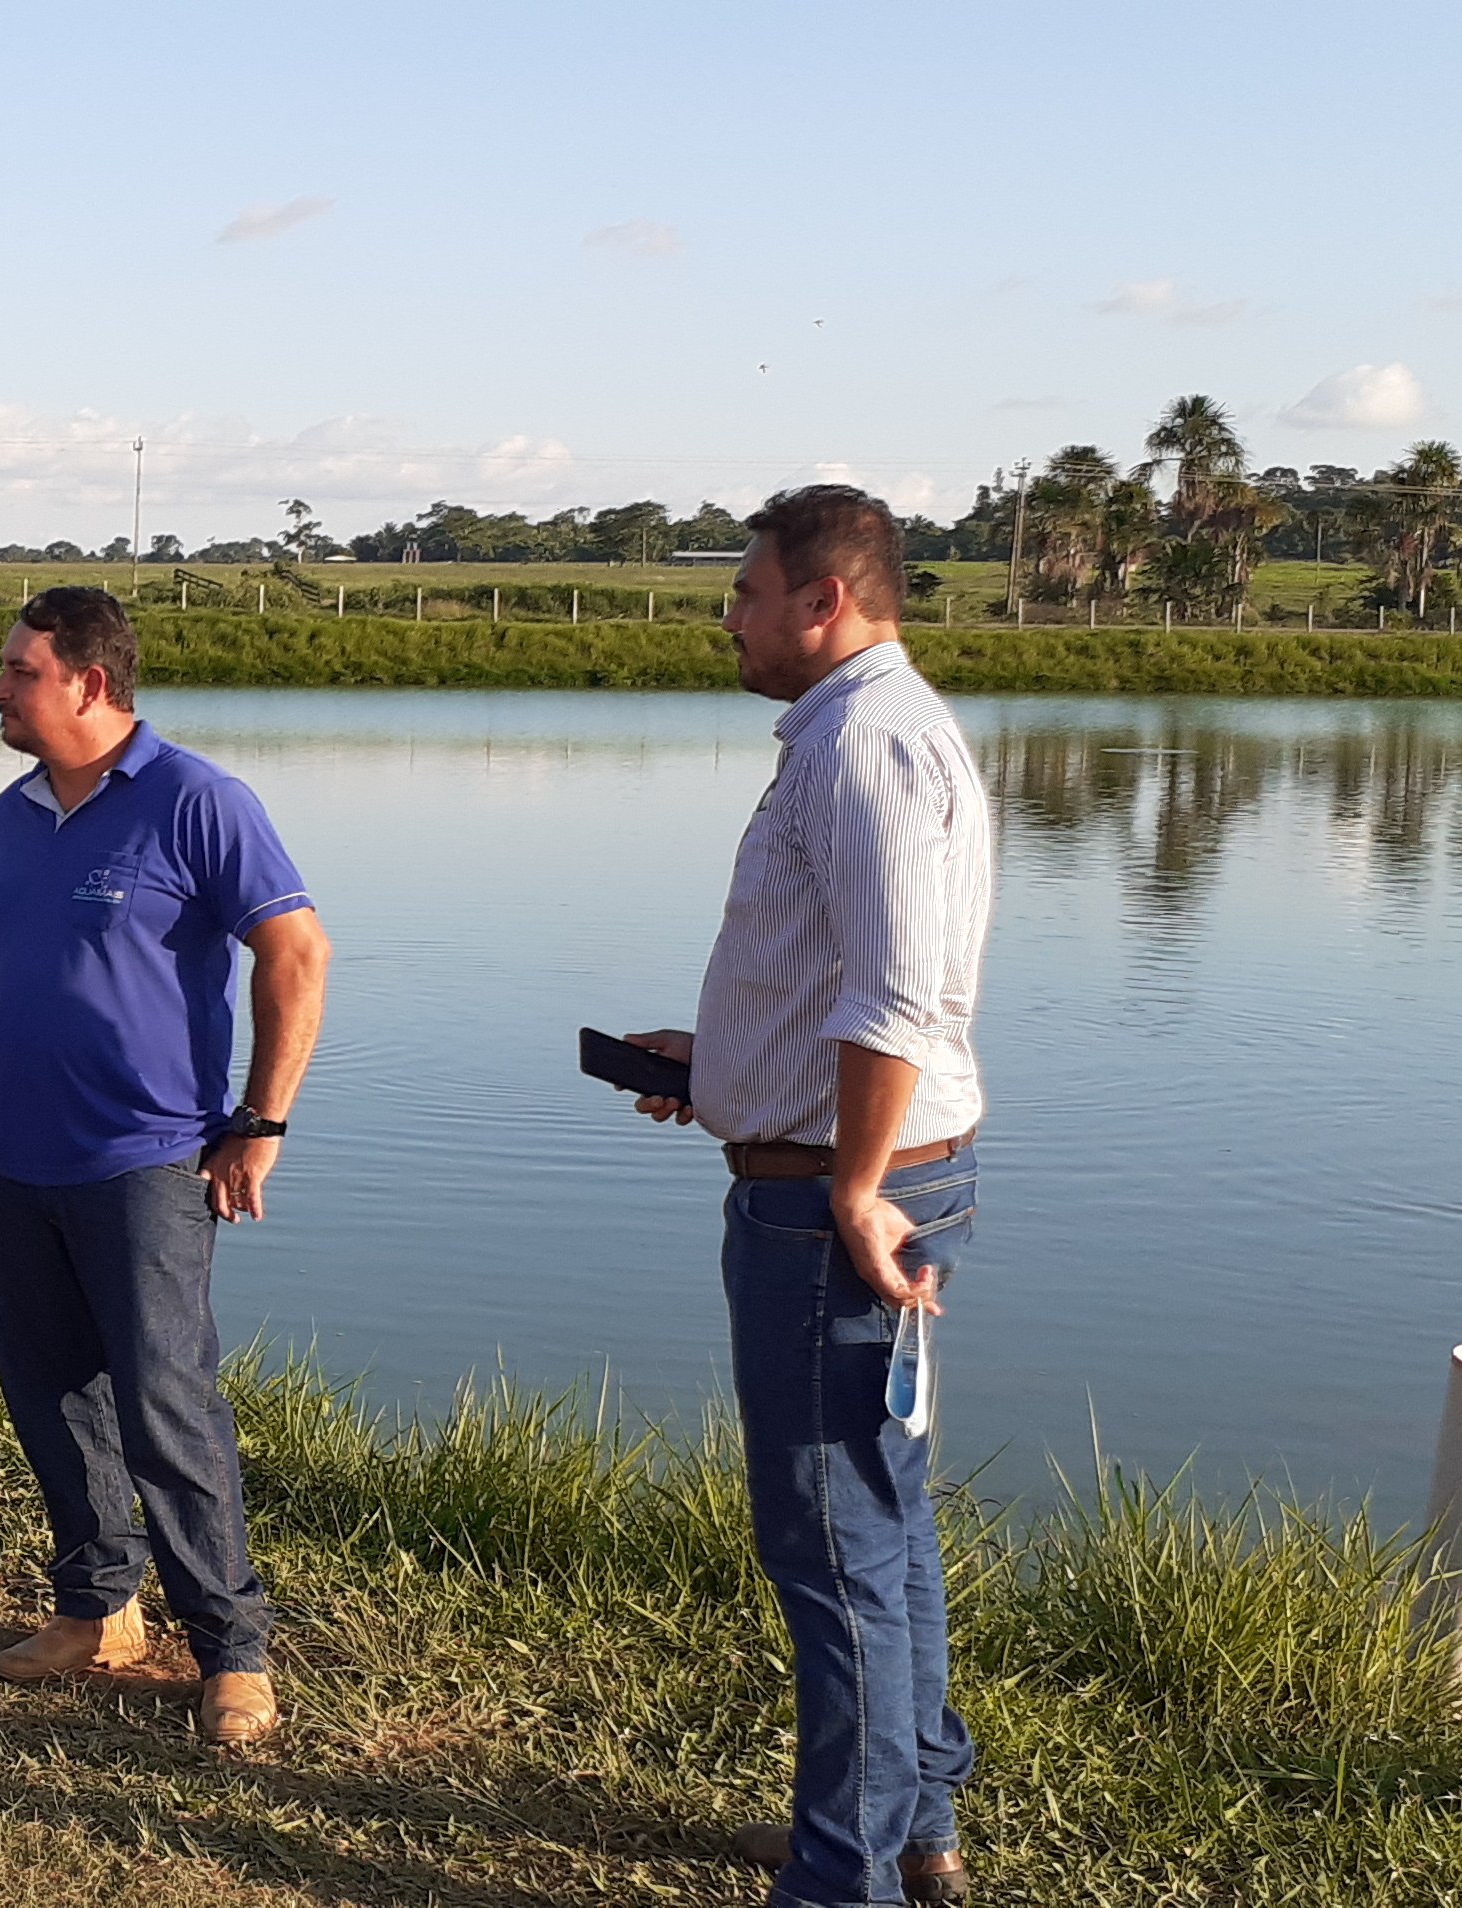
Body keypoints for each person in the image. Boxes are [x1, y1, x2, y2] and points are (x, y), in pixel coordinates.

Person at [616, 486, 993, 1905]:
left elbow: (896, 1000)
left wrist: (843, 1190)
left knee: (833, 1543)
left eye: (750, 592)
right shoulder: (865, 733)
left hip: (848, 1203)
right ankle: (903, 1824)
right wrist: (715, 1064)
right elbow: (841, 978)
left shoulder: (867, 746)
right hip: (873, 1176)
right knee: (879, 1523)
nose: (733, 616)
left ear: (824, 600)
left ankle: (846, 1877)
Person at [0, 585, 330, 1748]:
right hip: (16, 1159)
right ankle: (97, 1608)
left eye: (19, 671)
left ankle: (231, 1652)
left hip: (147, 1162)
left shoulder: (197, 800)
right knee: (47, 1391)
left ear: (90, 685)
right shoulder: (11, 813)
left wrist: (260, 1121)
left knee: (168, 1408)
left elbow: (296, 950)